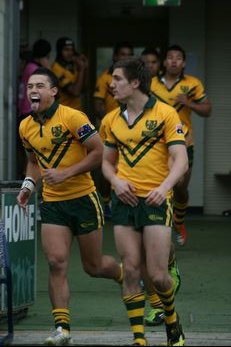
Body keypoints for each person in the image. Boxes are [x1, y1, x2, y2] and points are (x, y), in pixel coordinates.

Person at [16, 67, 123, 346]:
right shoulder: (25, 126)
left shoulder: (73, 117)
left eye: (40, 85)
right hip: (52, 202)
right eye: (29, 87)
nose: (33, 91)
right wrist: (29, 185)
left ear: (53, 91)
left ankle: (126, 274)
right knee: (56, 262)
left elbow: (98, 153)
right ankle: (62, 328)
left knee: (94, 266)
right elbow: (34, 161)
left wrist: (66, 173)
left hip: (84, 199)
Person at [100, 57, 188, 346]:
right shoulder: (111, 120)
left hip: (155, 201)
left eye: (117, 79)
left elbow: (180, 160)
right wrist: (115, 181)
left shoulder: (165, 114)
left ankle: (172, 322)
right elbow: (106, 164)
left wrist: (164, 188)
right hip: (124, 201)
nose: (111, 84)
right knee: (132, 271)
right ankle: (139, 339)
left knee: (158, 275)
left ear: (135, 82)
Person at [151, 44, 212, 245]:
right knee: (160, 184)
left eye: (178, 58)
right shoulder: (151, 84)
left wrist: (189, 103)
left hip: (184, 141)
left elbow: (207, 109)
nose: (174, 61)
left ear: (184, 63)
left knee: (181, 187)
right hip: (158, 143)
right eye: (170, 57)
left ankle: (179, 223)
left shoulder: (192, 83)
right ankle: (162, 226)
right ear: (164, 62)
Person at [141, 46, 181, 327]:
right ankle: (155, 308)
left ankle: (170, 265)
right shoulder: (118, 114)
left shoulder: (164, 111)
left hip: (162, 177)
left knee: (157, 250)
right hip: (133, 188)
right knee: (138, 255)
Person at [93, 41, 134, 218]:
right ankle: (106, 201)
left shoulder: (135, 79)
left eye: (128, 54)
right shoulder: (104, 78)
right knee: (105, 163)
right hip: (110, 127)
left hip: (132, 128)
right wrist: (110, 119)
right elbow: (97, 102)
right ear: (115, 56)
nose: (125, 57)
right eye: (122, 54)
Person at [51, 36, 88, 112]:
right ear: (59, 51)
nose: (70, 53)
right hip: (64, 112)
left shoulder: (73, 65)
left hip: (77, 110)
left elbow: (84, 88)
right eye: (66, 50)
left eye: (72, 50)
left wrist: (85, 67)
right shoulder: (56, 68)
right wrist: (82, 69)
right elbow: (75, 92)